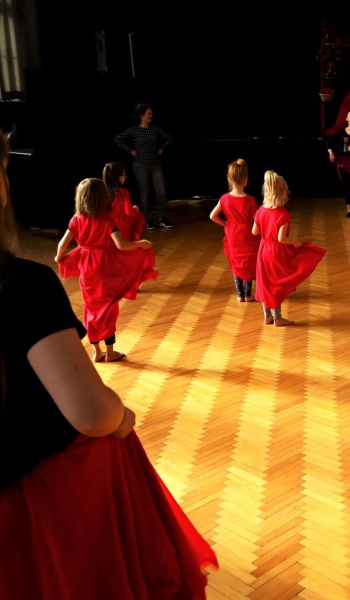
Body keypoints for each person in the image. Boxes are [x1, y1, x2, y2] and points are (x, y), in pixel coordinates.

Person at [0, 132, 217, 598]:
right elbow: (92, 414)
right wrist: (121, 418)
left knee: (97, 310)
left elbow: (63, 245)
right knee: (115, 438)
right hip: (24, 497)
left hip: (88, 273)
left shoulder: (75, 225)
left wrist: (65, 254)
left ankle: (101, 346)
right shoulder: (20, 286)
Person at [55, 178, 157, 363]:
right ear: (103, 197)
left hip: (87, 268)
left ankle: (96, 351)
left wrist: (58, 257)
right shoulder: (107, 219)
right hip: (105, 267)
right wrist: (140, 244)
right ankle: (110, 352)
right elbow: (121, 245)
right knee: (108, 308)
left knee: (91, 307)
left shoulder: (76, 219)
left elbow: (62, 244)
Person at [252, 170, 326, 327]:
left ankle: (267, 316)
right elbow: (281, 239)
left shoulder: (261, 210)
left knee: (265, 283)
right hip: (276, 252)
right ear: (283, 194)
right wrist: (295, 242)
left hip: (263, 250)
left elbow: (254, 231)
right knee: (277, 284)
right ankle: (278, 318)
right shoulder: (283, 214)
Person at [113, 103, 174, 229]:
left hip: (155, 164)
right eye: (148, 114)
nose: (151, 116)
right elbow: (117, 139)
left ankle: (162, 218)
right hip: (140, 165)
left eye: (151, 113)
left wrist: (162, 148)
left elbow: (169, 138)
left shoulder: (154, 129)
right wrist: (130, 150)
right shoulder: (135, 130)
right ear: (142, 115)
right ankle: (148, 220)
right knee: (145, 194)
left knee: (161, 192)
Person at [210, 158, 260, 302]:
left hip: (232, 233)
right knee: (247, 262)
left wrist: (225, 224)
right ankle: (248, 294)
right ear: (246, 180)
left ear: (229, 179)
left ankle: (240, 294)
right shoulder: (250, 200)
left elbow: (212, 216)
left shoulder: (224, 198)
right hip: (247, 234)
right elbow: (257, 220)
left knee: (235, 262)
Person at [102, 161, 146, 241]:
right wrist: (135, 208)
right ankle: (131, 239)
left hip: (105, 224)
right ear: (119, 177)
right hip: (120, 225)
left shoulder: (102, 192)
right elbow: (129, 212)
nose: (125, 177)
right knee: (138, 216)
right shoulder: (123, 192)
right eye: (124, 175)